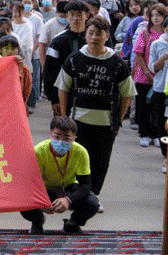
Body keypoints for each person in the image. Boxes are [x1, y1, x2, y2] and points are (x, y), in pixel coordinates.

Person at [56, 16, 136, 211]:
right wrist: (65, 118)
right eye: (90, 33)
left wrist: (118, 119)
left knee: (100, 161)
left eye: (98, 34)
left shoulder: (117, 63)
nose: (94, 38)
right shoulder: (74, 59)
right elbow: (63, 89)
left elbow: (127, 93)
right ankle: (74, 195)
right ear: (86, 35)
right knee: (76, 159)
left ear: (107, 36)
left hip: (105, 123)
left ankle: (92, 196)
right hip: (78, 121)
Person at [21, 116, 100, 234]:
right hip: (45, 189)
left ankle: (72, 224)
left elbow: (86, 185)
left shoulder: (81, 152)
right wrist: (42, 201)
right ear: (50, 134)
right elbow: (30, 184)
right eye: (57, 136)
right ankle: (37, 220)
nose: (61, 141)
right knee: (24, 201)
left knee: (92, 203)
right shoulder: (38, 152)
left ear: (74, 138)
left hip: (69, 188)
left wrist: (68, 200)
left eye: (67, 138)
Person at [43, 0, 90, 115]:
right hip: (64, 93)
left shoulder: (94, 38)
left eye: (79, 14)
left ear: (87, 16)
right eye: (72, 15)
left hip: (89, 93)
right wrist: (54, 98)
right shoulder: (58, 41)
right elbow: (50, 70)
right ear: (67, 16)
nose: (76, 18)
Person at [131, 3, 168, 147]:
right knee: (143, 105)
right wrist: (147, 72)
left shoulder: (165, 34)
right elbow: (138, 53)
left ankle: (156, 134)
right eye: (153, 15)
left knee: (158, 108)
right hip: (144, 73)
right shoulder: (145, 32)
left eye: (159, 15)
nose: (155, 18)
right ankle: (144, 133)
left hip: (161, 77)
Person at [148, 16, 168, 166]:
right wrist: (164, 57)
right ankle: (165, 155)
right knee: (162, 122)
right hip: (161, 88)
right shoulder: (157, 44)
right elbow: (153, 67)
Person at [0, 35, 32, 105]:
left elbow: (26, 92)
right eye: (6, 48)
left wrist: (19, 70)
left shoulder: (24, 69)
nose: (10, 51)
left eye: (13, 48)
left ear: (18, 49)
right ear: (0, 49)